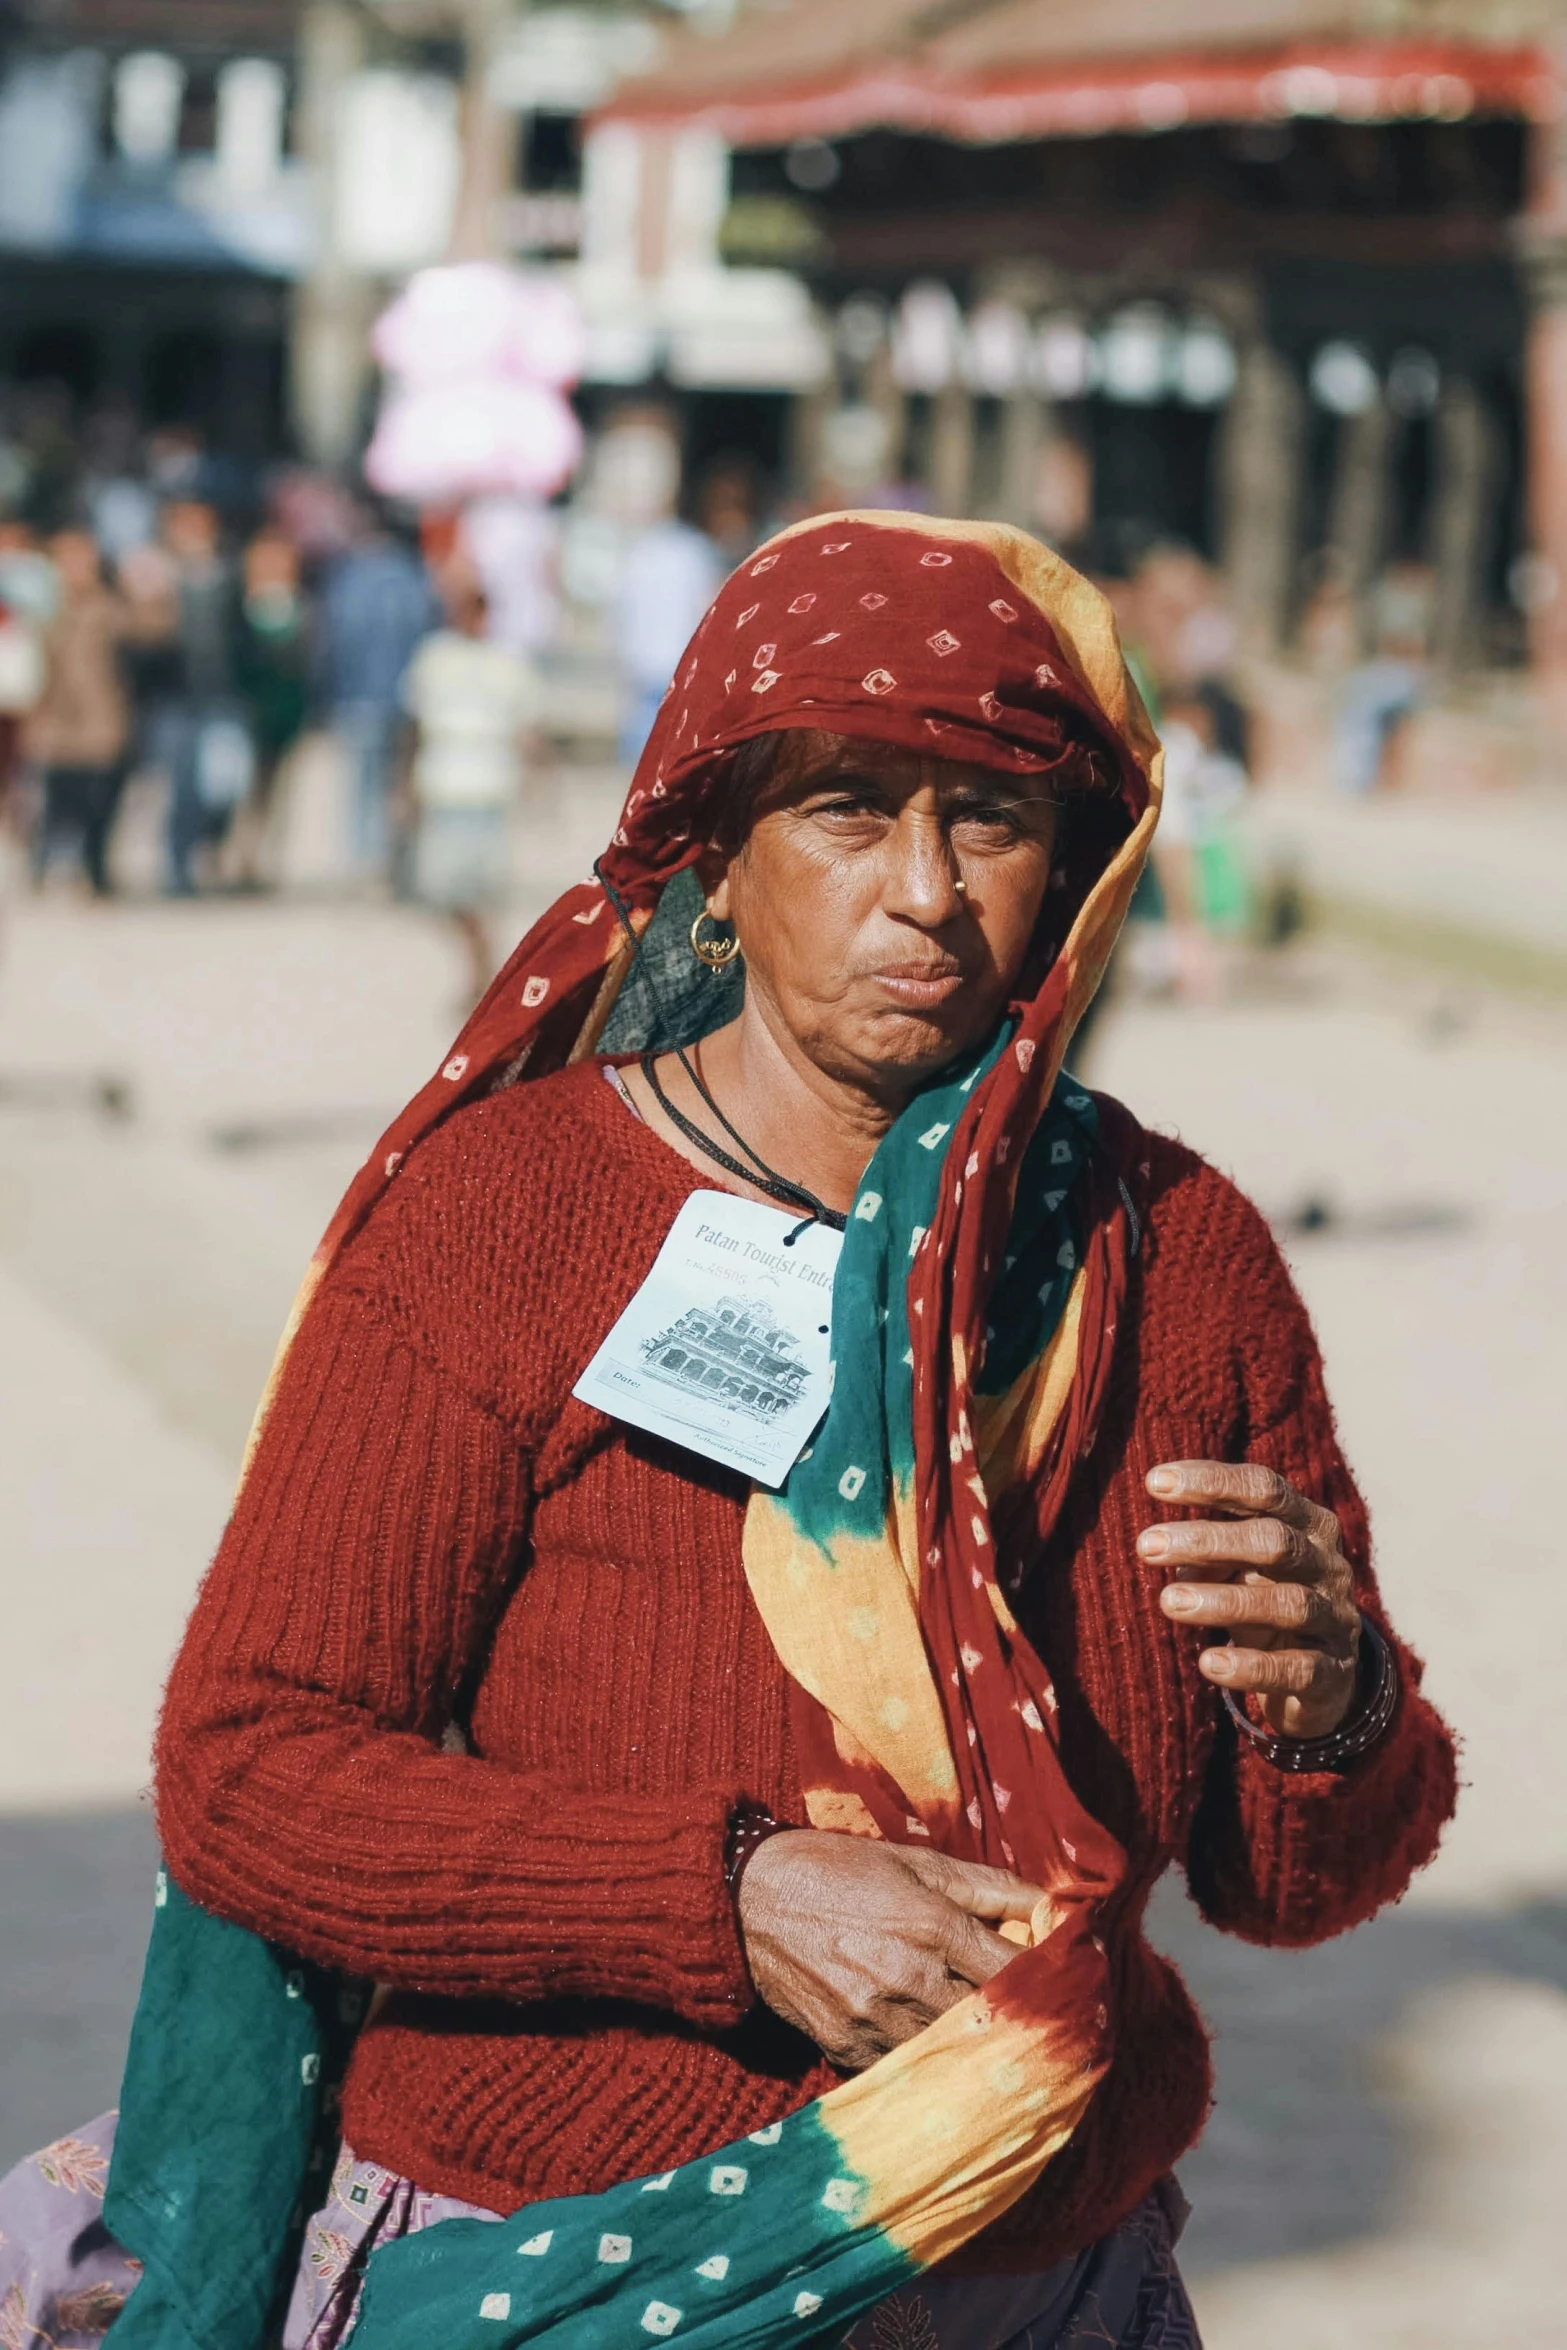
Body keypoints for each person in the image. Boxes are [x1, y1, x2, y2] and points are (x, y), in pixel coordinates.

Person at [0, 515, 1455, 2350]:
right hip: (558, 2262)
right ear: (718, 861)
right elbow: (249, 1771)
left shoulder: (1178, 1261)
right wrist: (728, 1897)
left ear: (1079, 877)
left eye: (989, 820)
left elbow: (1294, 1883)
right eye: (847, 813)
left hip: (1044, 2281)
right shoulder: (506, 1220)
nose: (924, 891)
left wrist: (1335, 1708)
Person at [401, 569, 534, 1005]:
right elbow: (414, 724)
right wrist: (403, 784)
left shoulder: (506, 661)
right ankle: (478, 954)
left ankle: (480, 971)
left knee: (480, 888)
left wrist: (539, 784)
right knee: (435, 890)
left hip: (489, 785)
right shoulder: (434, 657)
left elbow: (526, 728)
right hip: (443, 782)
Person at [318, 509, 437, 880]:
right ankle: (394, 856)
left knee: (364, 782)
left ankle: (364, 858)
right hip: (406, 695)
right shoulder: (415, 578)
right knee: (400, 780)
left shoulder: (349, 579)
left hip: (358, 695)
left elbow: (334, 640)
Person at [25, 528, 142, 896]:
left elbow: (148, 642)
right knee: (58, 802)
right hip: (56, 722)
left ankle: (96, 868)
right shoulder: (44, 610)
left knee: (102, 801)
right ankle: (46, 865)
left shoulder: (113, 608)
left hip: (104, 720)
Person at [230, 528, 312, 888]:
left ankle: (261, 859)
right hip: (244, 716)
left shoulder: (301, 610)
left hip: (284, 717)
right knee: (237, 790)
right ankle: (235, 856)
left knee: (276, 792)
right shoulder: (238, 607)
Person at [613, 503, 725, 765]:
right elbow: (709, 603)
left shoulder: (640, 552)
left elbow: (621, 604)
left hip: (643, 652)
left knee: (643, 727)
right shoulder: (695, 551)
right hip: (677, 651)